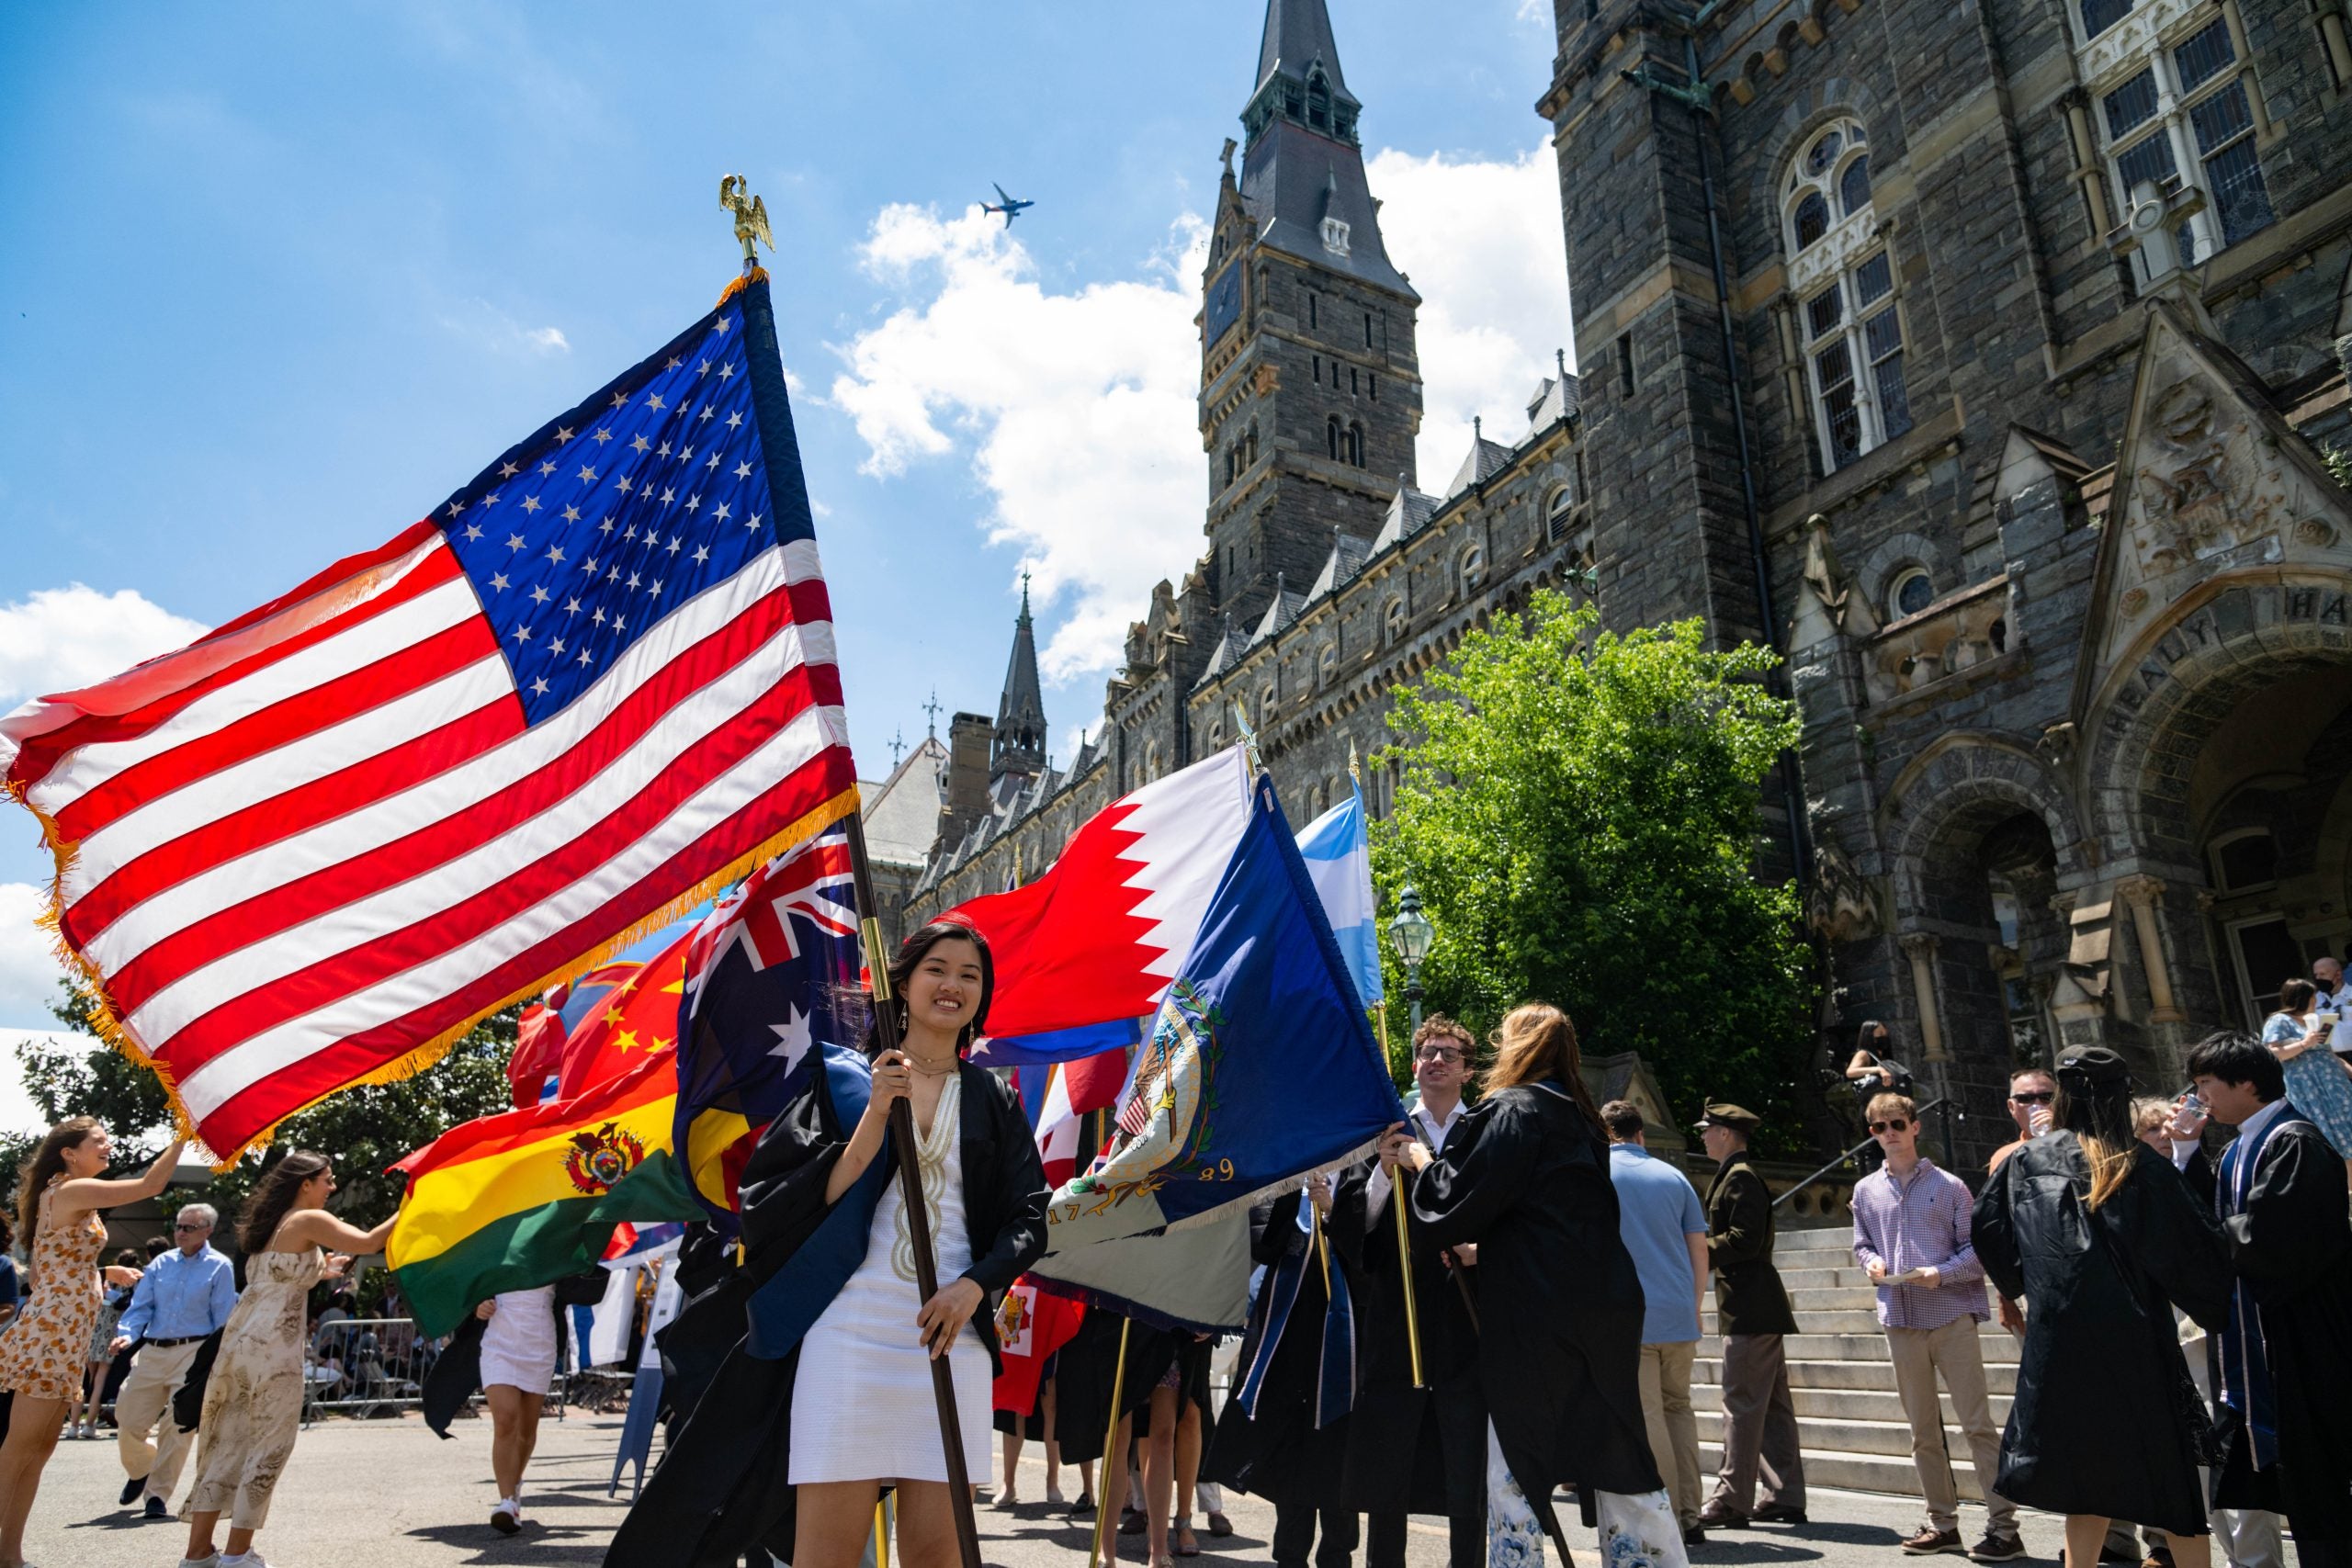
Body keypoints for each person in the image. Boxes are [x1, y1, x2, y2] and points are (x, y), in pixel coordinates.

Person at [606, 918, 1049, 1568]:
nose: (952, 984)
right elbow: (792, 1199)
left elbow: (1029, 1216)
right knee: (828, 1555)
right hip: (849, 1332)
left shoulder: (995, 1098)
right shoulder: (843, 1081)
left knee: (938, 1553)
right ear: (902, 983)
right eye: (937, 969)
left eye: (970, 974)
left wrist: (973, 1284)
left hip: (953, 1339)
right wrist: (875, 1114)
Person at [1386, 1004, 1685, 1568]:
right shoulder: (1583, 1117)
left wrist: (1426, 1162)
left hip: (1537, 1313)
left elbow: (1453, 1202)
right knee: (1617, 1445)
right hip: (1605, 1304)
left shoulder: (1512, 1108)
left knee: (1517, 1459)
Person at [1973, 1046, 2232, 1568]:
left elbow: (1988, 1230)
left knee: (2084, 1482)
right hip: (2137, 1346)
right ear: (2122, 1097)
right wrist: (2218, 1309)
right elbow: (2196, 1252)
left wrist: (2028, 1284)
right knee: (2168, 1479)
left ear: (2063, 1095)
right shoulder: (2139, 1166)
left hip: (2061, 1346)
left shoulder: (2025, 1161)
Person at [176, 1151, 396, 1568]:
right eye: (327, 1180)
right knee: (268, 1445)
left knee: (226, 1443)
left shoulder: (271, 1224)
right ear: (305, 1183)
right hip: (274, 1346)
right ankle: (238, 1554)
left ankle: (198, 1553)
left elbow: (281, 1274)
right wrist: (409, 1205)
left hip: (240, 1340)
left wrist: (320, 1269)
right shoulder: (309, 1219)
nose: (331, 1188)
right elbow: (370, 1242)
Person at [2188, 1030, 2352, 1568]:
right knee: (2298, 1483)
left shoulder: (2294, 1141)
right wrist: (2187, 1153)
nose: (2199, 1097)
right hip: (2263, 1343)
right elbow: (2213, 1222)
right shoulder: (2239, 1147)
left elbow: (2269, 1238)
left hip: (2300, 1339)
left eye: (2206, 1083)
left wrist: (2207, 1239)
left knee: (2321, 1482)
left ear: (2247, 1082)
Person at [0, 1119, 187, 1568]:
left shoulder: (68, 1195)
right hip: (50, 1337)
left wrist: (100, 1275)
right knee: (19, 1450)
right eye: (98, 1141)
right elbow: (152, 1183)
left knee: (38, 1452)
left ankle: (10, 1556)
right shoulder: (70, 1191)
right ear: (69, 1152)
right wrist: (184, 1133)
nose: (108, 1145)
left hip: (63, 1336)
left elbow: (48, 1273)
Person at [1849, 1092, 2022, 1561]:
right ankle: (1943, 1523)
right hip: (1899, 1318)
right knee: (1922, 1430)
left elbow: (1977, 1251)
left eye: (1898, 1124)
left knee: (1977, 1426)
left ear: (1915, 1126)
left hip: (1949, 1317)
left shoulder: (1949, 1186)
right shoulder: (1865, 1190)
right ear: (1872, 1133)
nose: (1890, 1133)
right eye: (1880, 1127)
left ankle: (2005, 1527)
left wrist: (1939, 1274)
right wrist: (1872, 1264)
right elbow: (1861, 1243)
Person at [1343, 1013, 1487, 1568]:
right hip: (1397, 1315)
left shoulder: (1484, 1132)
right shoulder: (1390, 1130)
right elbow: (1356, 1228)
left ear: (1467, 1071)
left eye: (1448, 1054)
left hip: (1463, 1317)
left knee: (1465, 1466)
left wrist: (1480, 1252)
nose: (1436, 1061)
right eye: (1427, 1053)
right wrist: (1381, 1172)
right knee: (1388, 1466)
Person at [1205, 1175, 1362, 1568]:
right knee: (1291, 1454)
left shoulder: (1366, 1170)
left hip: (1348, 1338)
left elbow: (1376, 1249)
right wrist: (1293, 1190)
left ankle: (1337, 1555)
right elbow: (1264, 1243)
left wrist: (1333, 1211)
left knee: (1339, 1450)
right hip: (1286, 1339)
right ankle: (1290, 1555)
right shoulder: (1284, 1176)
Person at [1600, 1099, 1710, 1548]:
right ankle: (1692, 1513)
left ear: (1605, 1134)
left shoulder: (1599, 1175)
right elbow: (1699, 1249)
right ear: (1641, 1133)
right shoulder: (1674, 1175)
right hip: (1679, 1312)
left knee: (1648, 1417)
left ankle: (1668, 1518)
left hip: (1632, 1317)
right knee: (1680, 1410)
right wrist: (1694, 1303)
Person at [1692, 1102, 1804, 1529]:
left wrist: (1697, 1248)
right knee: (1772, 1407)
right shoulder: (1734, 1176)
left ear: (1725, 1134)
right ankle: (1784, 1495)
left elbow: (1745, 1240)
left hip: (1751, 1306)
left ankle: (1730, 1499)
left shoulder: (1739, 1178)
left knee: (1740, 1403)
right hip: (1754, 1304)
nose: (1702, 1136)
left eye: (1708, 1129)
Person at [111, 1203, 237, 1518]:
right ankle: (141, 1467)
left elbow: (222, 1317)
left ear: (207, 1230)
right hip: (152, 1349)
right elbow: (141, 1306)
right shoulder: (160, 1264)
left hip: (193, 1351)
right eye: (178, 1226)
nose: (180, 1232)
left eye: (188, 1228)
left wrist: (217, 1361)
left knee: (178, 1426)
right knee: (127, 1418)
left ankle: (157, 1496)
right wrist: (126, 1334)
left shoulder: (220, 1266)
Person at [477, 1287, 559, 1534]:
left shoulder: (555, 1250)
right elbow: (470, 1277)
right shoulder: (492, 1249)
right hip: (499, 1340)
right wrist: (478, 1305)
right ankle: (507, 1501)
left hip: (540, 1339)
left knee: (526, 1431)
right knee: (505, 1420)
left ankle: (514, 1483)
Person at [1984, 1066, 2057, 1337]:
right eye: (2026, 1098)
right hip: (2032, 1278)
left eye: (2046, 1097)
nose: (2036, 1104)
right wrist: (2005, 1296)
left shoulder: (2083, 1144)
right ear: (2012, 1107)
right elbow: (1998, 1228)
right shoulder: (2004, 1157)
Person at [2258, 979, 2352, 1172]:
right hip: (2309, 1090)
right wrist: (2304, 1044)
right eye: (2312, 997)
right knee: (2327, 1135)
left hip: (2336, 1087)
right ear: (2302, 998)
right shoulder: (2279, 1021)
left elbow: (2329, 1054)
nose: (2315, 1001)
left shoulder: (2317, 1020)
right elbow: (2273, 1053)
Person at [75, 1248, 144, 1440]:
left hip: (95, 1325)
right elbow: (130, 1305)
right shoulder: (131, 1281)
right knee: (100, 1378)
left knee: (86, 1377)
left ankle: (74, 1425)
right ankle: (89, 1424)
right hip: (112, 1329)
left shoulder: (105, 1278)